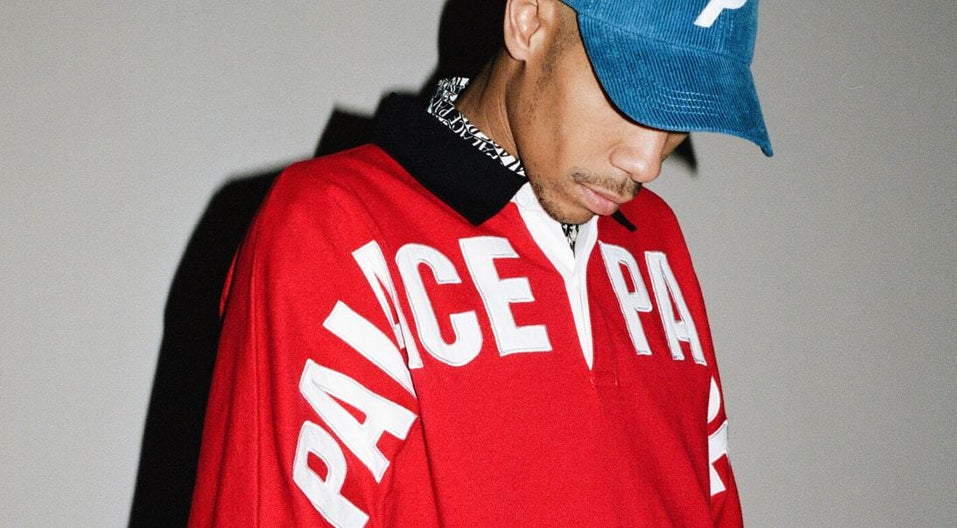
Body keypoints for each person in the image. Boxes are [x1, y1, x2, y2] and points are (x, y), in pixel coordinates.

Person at [188, 0, 771, 526]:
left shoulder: (654, 240)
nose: (647, 162)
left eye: (683, 115)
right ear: (528, 20)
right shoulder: (334, 227)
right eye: (630, 97)